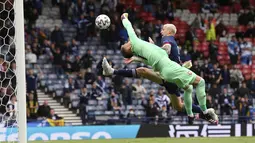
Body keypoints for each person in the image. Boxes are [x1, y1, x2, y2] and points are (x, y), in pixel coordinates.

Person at [104, 13, 218, 124]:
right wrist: (124, 17)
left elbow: (153, 58)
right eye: (126, 43)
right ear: (129, 47)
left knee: (178, 102)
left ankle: (195, 114)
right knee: (187, 94)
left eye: (163, 29)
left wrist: (138, 58)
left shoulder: (142, 48)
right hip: (172, 70)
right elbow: (129, 27)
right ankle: (204, 112)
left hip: (168, 73)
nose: (128, 41)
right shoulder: (158, 40)